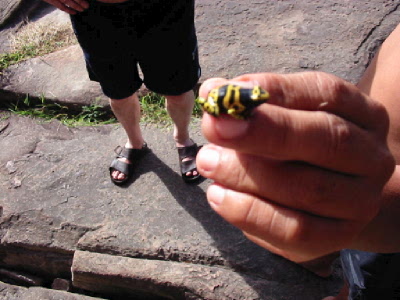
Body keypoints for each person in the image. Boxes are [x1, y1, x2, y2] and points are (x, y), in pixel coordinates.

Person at [196, 23, 400, 299]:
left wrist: (378, 211)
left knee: (367, 282)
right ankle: (333, 278)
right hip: (351, 174)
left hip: (383, 239)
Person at [43, 0, 202, 185]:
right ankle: (135, 144)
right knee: (118, 92)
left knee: (178, 89)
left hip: (165, 8)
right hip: (92, 11)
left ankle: (183, 139)